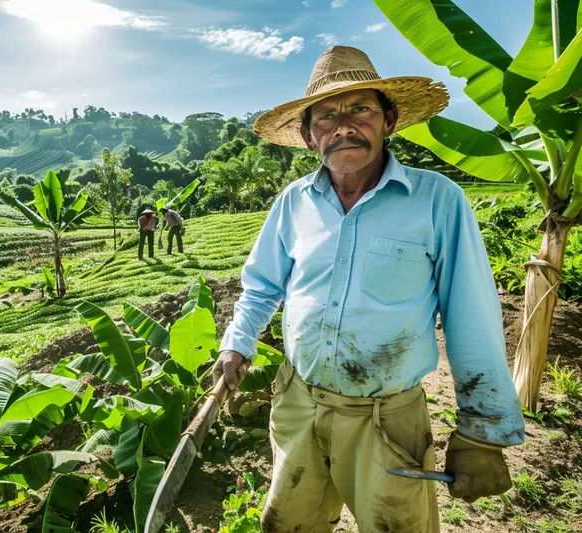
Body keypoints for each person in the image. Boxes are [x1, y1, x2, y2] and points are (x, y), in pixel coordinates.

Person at [213, 46, 524, 533]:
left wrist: (482, 431)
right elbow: (262, 285)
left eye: (360, 109)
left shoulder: (437, 200)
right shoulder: (294, 202)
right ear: (307, 134)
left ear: (389, 120)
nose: (343, 126)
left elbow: (472, 318)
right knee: (288, 524)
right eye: (326, 116)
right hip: (298, 402)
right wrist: (237, 343)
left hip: (386, 419)